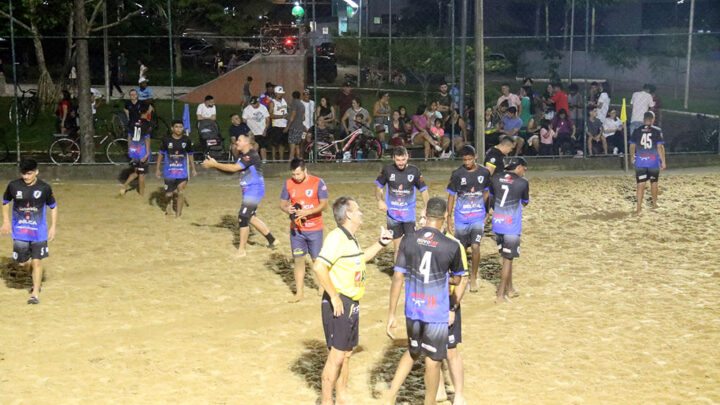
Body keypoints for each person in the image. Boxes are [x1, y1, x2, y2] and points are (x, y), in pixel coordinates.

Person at [385, 197, 468, 405]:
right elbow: (459, 278)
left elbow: (397, 277)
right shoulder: (451, 245)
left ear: (426, 215)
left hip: (413, 308)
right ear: (445, 216)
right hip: (435, 312)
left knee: (413, 352)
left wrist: (391, 314)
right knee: (433, 361)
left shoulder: (408, 239)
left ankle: (389, 396)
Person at [313, 197, 393, 405]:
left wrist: (380, 243)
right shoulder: (336, 238)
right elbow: (319, 266)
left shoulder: (350, 238)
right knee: (336, 357)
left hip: (352, 304)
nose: (361, 213)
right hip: (340, 304)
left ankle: (341, 397)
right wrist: (334, 296)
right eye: (357, 210)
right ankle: (326, 401)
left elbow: (361, 258)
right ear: (348, 214)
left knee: (347, 354)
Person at [202, 134, 278, 256]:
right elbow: (231, 171)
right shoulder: (242, 156)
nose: (236, 142)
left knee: (243, 217)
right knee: (250, 217)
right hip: (249, 190)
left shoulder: (251, 155)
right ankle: (272, 240)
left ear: (247, 143)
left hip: (254, 190)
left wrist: (215, 165)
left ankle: (241, 250)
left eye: (239, 140)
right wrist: (215, 166)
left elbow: (233, 168)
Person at [1, 159, 58, 305]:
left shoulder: (44, 187)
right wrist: (6, 222)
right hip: (20, 232)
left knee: (37, 261)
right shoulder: (14, 186)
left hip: (38, 232)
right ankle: (33, 274)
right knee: (21, 263)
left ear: (36, 172)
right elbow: (5, 202)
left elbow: (53, 206)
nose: (26, 177)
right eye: (23, 174)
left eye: (29, 173)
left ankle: (35, 292)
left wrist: (53, 227)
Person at [280, 158, 329, 302]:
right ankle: (299, 293)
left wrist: (308, 212)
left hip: (315, 228)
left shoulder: (318, 182)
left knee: (316, 259)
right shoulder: (288, 184)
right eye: (293, 174)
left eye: (298, 174)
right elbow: (282, 204)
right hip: (296, 230)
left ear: (305, 171)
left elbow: (324, 205)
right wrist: (286, 209)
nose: (296, 177)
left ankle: (322, 284)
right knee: (298, 260)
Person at [447, 145, 491, 292]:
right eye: (464, 160)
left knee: (475, 246)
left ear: (475, 157)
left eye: (470, 159)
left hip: (477, 216)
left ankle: (473, 277)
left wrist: (486, 212)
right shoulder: (457, 174)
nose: (467, 162)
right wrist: (449, 217)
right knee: (461, 249)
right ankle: (462, 275)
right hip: (461, 217)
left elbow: (486, 193)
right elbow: (451, 196)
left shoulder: (484, 173)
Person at [489, 157, 529, 303]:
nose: (524, 172)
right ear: (518, 167)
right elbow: (525, 202)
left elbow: (491, 198)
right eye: (524, 169)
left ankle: (510, 288)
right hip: (511, 225)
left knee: (506, 257)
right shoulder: (522, 183)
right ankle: (500, 294)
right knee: (508, 260)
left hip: (498, 223)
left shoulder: (495, 178)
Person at [376, 146, 429, 258]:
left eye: (403, 160)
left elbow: (424, 191)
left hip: (409, 216)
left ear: (407, 157)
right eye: (398, 160)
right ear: (393, 158)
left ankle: (410, 273)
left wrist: (426, 207)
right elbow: (379, 187)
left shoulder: (414, 171)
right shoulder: (387, 170)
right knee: (398, 249)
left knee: (411, 247)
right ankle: (397, 274)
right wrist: (380, 200)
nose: (400, 163)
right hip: (393, 217)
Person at [156, 120, 197, 217]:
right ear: (172, 128)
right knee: (168, 195)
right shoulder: (166, 140)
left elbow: (190, 155)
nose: (179, 129)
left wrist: (193, 168)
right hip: (169, 172)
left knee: (181, 191)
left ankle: (178, 215)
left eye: (180, 127)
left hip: (182, 171)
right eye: (176, 127)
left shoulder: (186, 140)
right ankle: (168, 204)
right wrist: (157, 168)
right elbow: (161, 154)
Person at [629, 112, 666, 215]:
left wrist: (632, 156)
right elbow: (660, 147)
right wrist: (663, 161)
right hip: (653, 161)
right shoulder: (657, 131)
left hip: (640, 161)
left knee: (640, 184)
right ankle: (654, 204)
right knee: (654, 183)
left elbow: (632, 146)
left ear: (643, 119)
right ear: (653, 119)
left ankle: (638, 208)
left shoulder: (637, 130)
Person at [120, 103, 152, 196]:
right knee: (141, 174)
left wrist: (129, 149)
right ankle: (141, 194)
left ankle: (125, 185)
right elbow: (147, 139)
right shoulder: (147, 124)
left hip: (134, 150)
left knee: (137, 171)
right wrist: (146, 154)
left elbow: (129, 137)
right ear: (147, 112)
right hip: (142, 151)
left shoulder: (132, 122)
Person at [242, 96, 270, 160]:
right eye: (252, 104)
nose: (253, 105)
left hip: (262, 131)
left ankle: (264, 160)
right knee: (252, 146)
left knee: (263, 146)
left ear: (258, 102)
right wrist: (247, 131)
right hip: (251, 132)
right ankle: (251, 160)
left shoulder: (263, 108)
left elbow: (267, 120)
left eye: (254, 104)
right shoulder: (247, 109)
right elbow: (244, 121)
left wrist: (265, 130)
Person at [268, 86, 289, 161]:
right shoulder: (272, 102)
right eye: (279, 93)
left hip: (284, 125)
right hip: (276, 125)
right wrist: (282, 116)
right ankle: (273, 158)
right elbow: (271, 115)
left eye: (281, 93)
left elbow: (287, 111)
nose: (281, 95)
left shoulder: (284, 101)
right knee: (274, 144)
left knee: (282, 143)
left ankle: (281, 159)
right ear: (275, 93)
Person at [286, 90, 306, 160]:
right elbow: (303, 118)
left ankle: (290, 160)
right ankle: (298, 160)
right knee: (297, 145)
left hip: (294, 126)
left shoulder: (294, 103)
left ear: (293, 96)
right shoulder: (302, 105)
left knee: (292, 145)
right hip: (300, 126)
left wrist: (287, 127)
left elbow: (292, 116)